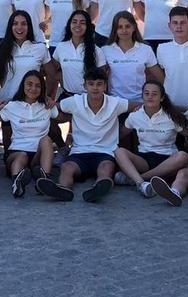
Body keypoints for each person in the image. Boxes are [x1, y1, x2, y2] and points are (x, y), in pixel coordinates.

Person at [37, 69, 129, 202]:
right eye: (91, 84)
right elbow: (56, 106)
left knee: (106, 168)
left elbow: (137, 107)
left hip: (105, 151)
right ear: (85, 86)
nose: (95, 88)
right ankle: (62, 189)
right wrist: (49, 103)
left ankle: (99, 188)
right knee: (66, 167)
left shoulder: (115, 103)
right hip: (80, 151)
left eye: (99, 84)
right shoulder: (75, 101)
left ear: (105, 86)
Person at [114, 80, 188, 205]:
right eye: (147, 93)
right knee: (119, 152)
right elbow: (119, 135)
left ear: (162, 98)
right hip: (144, 159)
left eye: (154, 94)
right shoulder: (135, 116)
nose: (150, 97)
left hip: (168, 160)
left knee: (183, 156)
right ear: (142, 96)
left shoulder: (171, 116)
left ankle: (136, 179)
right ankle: (142, 185)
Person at [0, 70, 58, 197]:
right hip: (16, 152)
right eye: (29, 84)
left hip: (37, 154)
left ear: (42, 89)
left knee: (47, 140)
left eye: (38, 86)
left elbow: (66, 114)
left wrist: (53, 102)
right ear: (23, 86)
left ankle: (45, 181)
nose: (33, 88)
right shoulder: (11, 106)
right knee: (22, 156)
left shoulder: (47, 106)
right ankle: (17, 183)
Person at [0, 10, 54, 105]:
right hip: (7, 105)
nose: (19, 27)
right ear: (10, 27)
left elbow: (52, 75)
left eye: (24, 24)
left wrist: (47, 96)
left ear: (29, 27)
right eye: (15, 23)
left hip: (32, 105)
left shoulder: (40, 48)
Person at [103, 10, 163, 104]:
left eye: (127, 26)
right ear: (115, 30)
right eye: (119, 27)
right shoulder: (105, 50)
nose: (124, 30)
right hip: (115, 103)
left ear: (134, 27)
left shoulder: (146, 49)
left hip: (139, 103)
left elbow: (160, 77)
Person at [50, 9, 107, 99]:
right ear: (69, 25)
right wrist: (61, 77)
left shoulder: (97, 50)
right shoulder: (61, 47)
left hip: (89, 100)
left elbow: (103, 78)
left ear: (88, 26)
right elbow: (52, 70)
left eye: (82, 23)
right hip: (67, 96)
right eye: (74, 22)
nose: (78, 25)